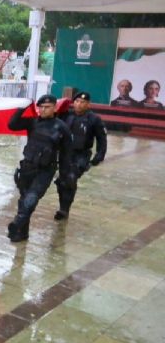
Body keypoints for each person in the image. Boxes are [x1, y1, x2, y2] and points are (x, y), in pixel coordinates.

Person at [6, 94, 73, 242]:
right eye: (41, 107)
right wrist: (21, 108)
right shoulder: (33, 122)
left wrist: (65, 175)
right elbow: (11, 125)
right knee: (24, 201)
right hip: (27, 167)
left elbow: (66, 155)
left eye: (47, 107)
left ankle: (17, 223)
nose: (43, 110)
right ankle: (22, 233)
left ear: (55, 108)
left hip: (45, 170)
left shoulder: (62, 128)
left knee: (31, 198)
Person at [54, 92, 107, 220]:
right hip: (65, 153)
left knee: (71, 178)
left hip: (81, 155)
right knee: (62, 181)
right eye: (77, 101)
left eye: (83, 102)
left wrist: (98, 156)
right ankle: (63, 207)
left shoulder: (94, 119)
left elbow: (102, 139)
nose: (79, 104)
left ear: (88, 104)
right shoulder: (66, 115)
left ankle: (64, 210)